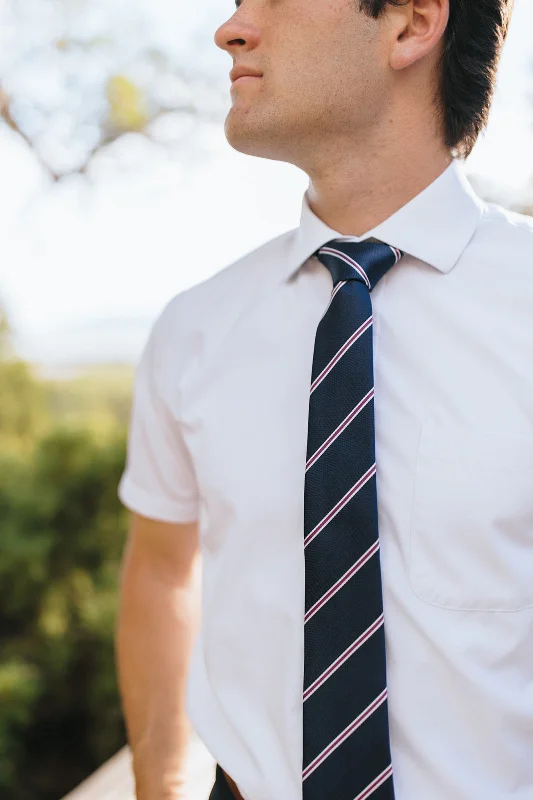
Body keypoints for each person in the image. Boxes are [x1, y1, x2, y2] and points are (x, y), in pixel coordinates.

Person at [114, 0, 533, 798]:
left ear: (410, 24)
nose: (230, 28)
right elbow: (163, 568)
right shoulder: (194, 330)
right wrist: (159, 781)